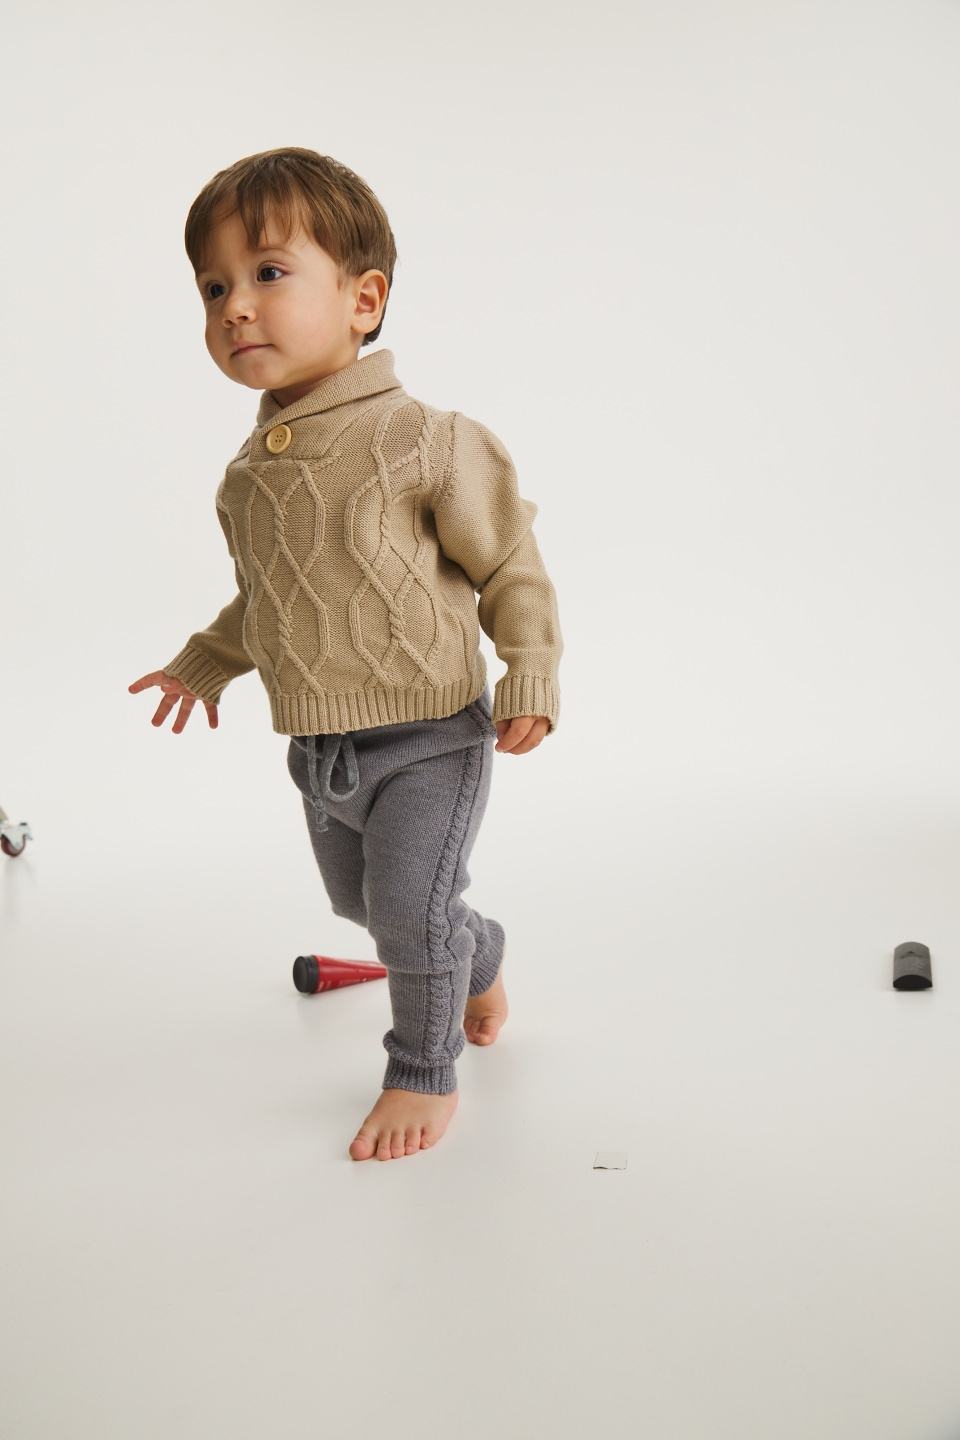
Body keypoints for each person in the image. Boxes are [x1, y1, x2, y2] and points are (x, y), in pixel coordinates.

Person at [129, 148, 562, 1161]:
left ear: (364, 299)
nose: (236, 306)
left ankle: (422, 1071)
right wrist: (205, 660)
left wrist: (530, 670)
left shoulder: (427, 440)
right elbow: (275, 599)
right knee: (361, 905)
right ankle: (473, 952)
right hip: (321, 754)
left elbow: (510, 561)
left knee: (408, 912)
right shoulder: (248, 477)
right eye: (213, 288)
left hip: (430, 739)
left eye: (268, 273)